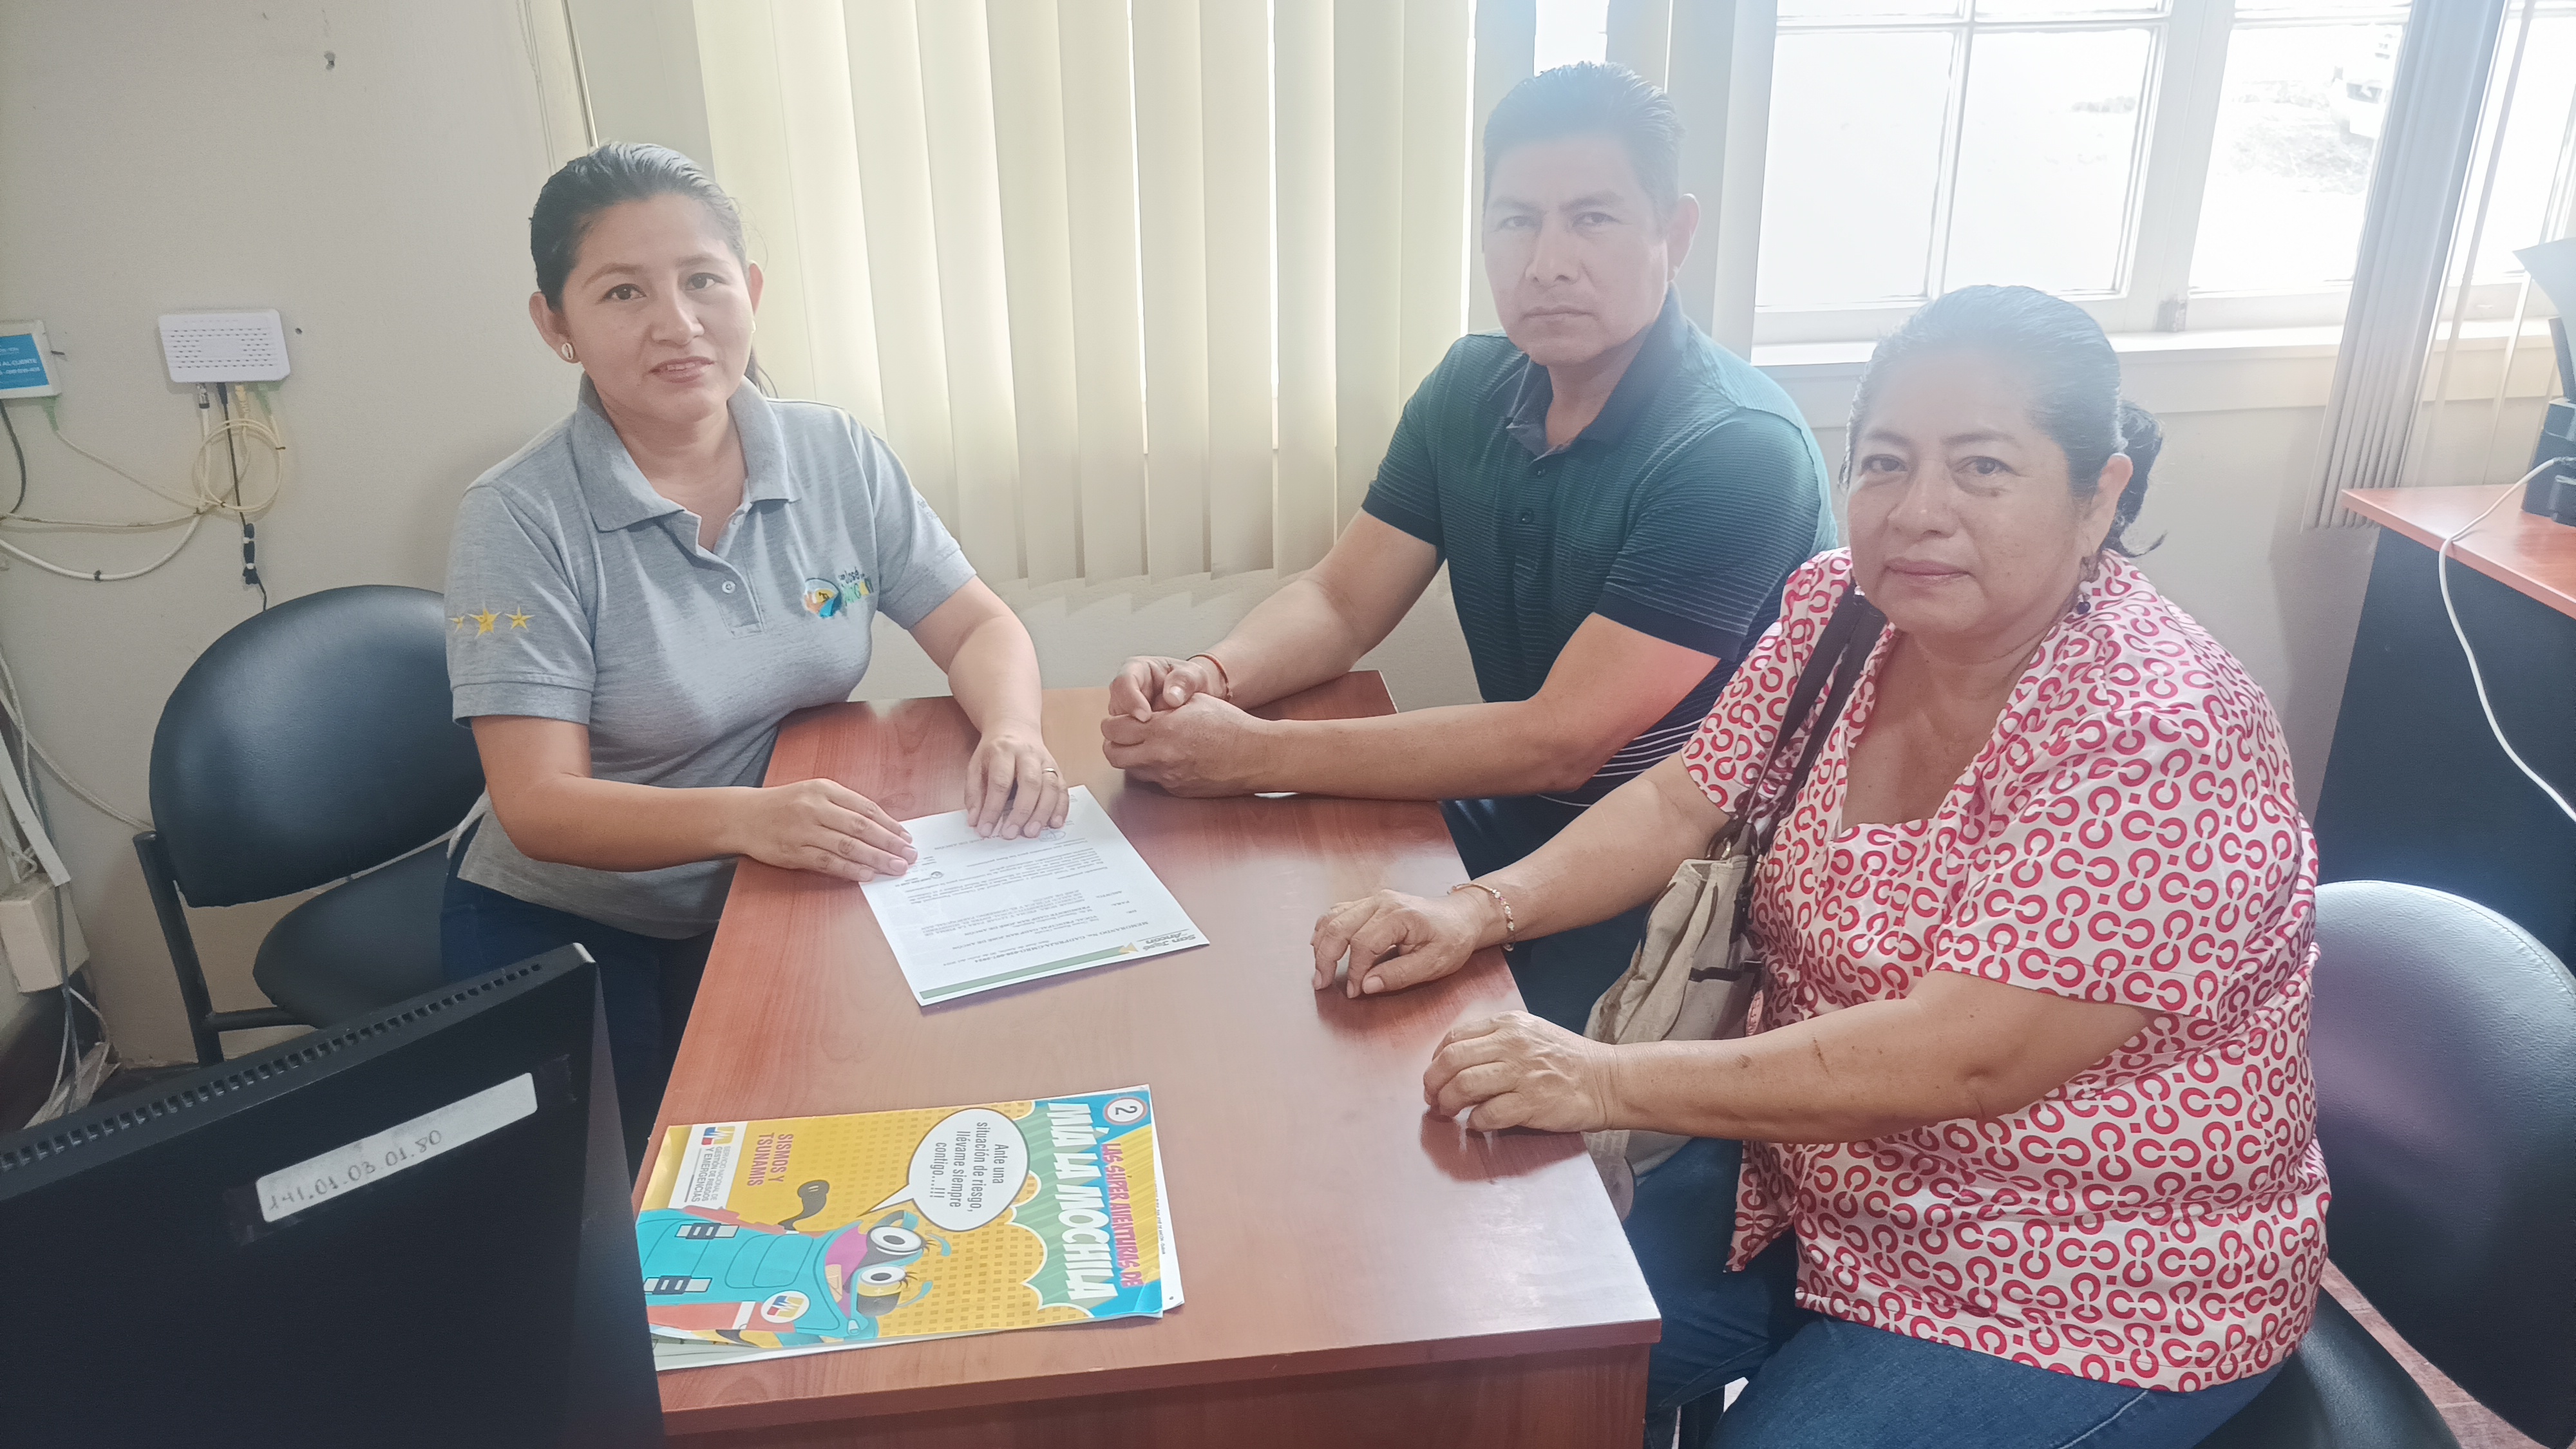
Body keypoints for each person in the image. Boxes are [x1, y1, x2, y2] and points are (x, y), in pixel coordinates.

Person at [1311, 285, 2327, 1447]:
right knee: (1491, 1335)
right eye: (1886, 462)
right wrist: (1476, 909)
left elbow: (1966, 1055)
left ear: (2100, 494)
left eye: (1983, 468)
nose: (1919, 511)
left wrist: (1601, 1078)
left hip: (2079, 1278)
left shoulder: (2158, 731)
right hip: (1816, 1178)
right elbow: (1681, 798)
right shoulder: (1840, 610)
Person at [1103, 64, 1834, 1032]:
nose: (1548, 262)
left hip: (1689, 882)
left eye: (1593, 218)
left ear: (1677, 231)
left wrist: (1252, 754)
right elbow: (1340, 602)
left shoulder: (1738, 449)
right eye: (1516, 220)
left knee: (1403, 1058)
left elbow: (1562, 741)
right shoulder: (1470, 385)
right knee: (1231, 951)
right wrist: (1209, 678)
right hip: (1516, 811)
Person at [440, 144, 1068, 1165]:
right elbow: (539, 803)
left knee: (845, 1125)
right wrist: (750, 819)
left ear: (752, 291)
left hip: (759, 887)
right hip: (569, 915)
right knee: (630, 1195)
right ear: (556, 325)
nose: (677, 323)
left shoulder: (834, 454)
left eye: (703, 280)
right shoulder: (517, 516)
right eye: (623, 292)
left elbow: (977, 626)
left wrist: (1016, 730)